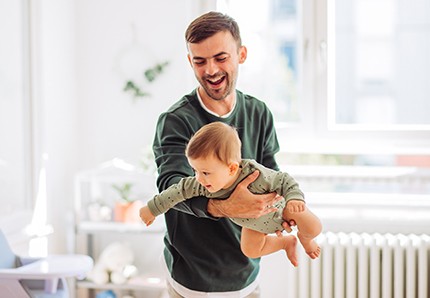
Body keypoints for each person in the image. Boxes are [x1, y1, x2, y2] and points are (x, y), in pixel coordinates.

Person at [153, 11, 299, 297]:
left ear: (241, 54)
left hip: (247, 276)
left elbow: (271, 175)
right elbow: (170, 185)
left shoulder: (259, 113)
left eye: (221, 58)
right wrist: (225, 206)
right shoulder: (176, 120)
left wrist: (283, 207)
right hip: (194, 282)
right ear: (190, 62)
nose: (210, 70)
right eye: (200, 61)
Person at [141, 122, 322, 266]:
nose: (199, 179)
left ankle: (305, 239)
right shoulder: (202, 184)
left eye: (205, 172)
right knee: (250, 250)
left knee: (314, 227)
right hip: (253, 225)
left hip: (281, 210)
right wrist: (152, 208)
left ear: (232, 168)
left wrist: (294, 199)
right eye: (194, 170)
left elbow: (283, 180)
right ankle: (285, 243)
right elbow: (176, 191)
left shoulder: (255, 174)